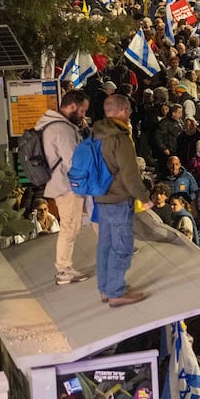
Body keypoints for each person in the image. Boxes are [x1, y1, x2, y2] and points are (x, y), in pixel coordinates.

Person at [94, 92, 153, 305]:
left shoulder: (96, 133)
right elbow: (130, 174)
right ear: (122, 111)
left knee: (105, 244)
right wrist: (144, 197)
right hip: (119, 198)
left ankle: (106, 288)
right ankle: (117, 292)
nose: (129, 114)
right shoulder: (120, 137)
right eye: (127, 110)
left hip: (101, 196)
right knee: (122, 245)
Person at [37, 88, 90, 285]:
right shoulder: (62, 129)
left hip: (64, 183)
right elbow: (74, 161)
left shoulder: (51, 123)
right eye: (83, 110)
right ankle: (64, 270)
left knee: (91, 214)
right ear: (73, 107)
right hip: (68, 186)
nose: (84, 115)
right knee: (70, 226)